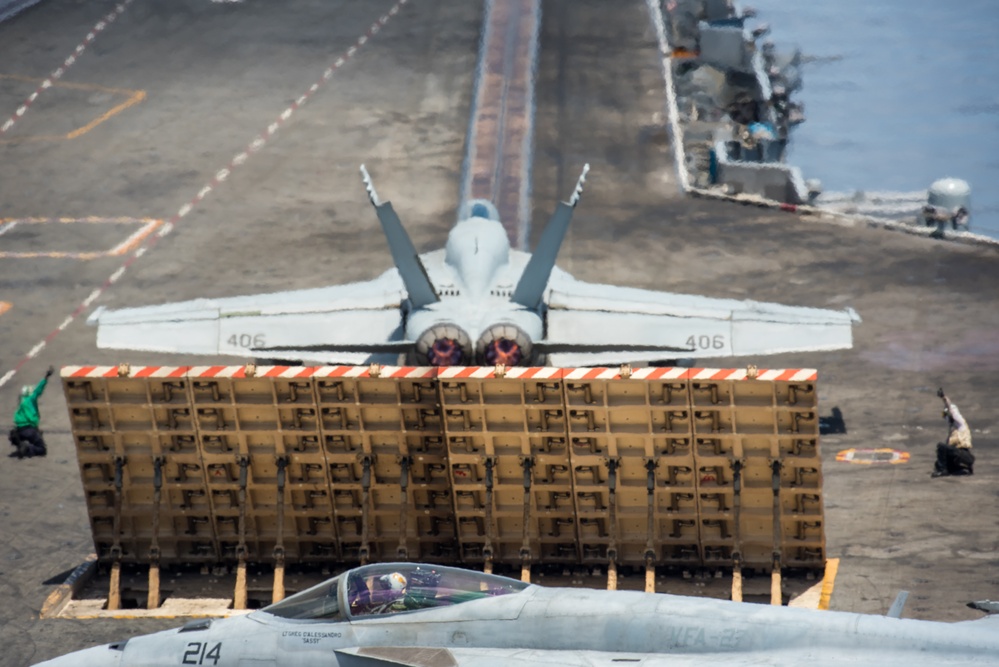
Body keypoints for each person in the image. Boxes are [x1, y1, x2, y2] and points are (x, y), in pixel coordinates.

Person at [8, 366, 53, 459]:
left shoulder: (21, 402)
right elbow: (38, 389)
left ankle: (20, 444)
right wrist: (46, 377)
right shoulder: (30, 399)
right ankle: (28, 448)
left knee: (35, 433)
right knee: (42, 450)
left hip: (19, 430)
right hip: (29, 430)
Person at [932, 388, 974, 477]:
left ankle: (942, 470)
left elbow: (950, 408)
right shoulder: (953, 430)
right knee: (939, 459)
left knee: (941, 446)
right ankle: (958, 469)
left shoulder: (961, 424)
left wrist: (944, 398)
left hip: (963, 454)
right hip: (959, 455)